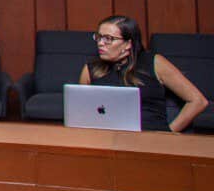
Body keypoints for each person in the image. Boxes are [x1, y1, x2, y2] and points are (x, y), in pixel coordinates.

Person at [79, 15, 207, 133]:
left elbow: (198, 101)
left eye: (108, 39)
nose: (100, 43)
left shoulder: (154, 63)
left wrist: (169, 133)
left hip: (150, 138)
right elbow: (80, 110)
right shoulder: (91, 69)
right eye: (99, 37)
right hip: (105, 137)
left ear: (128, 44)